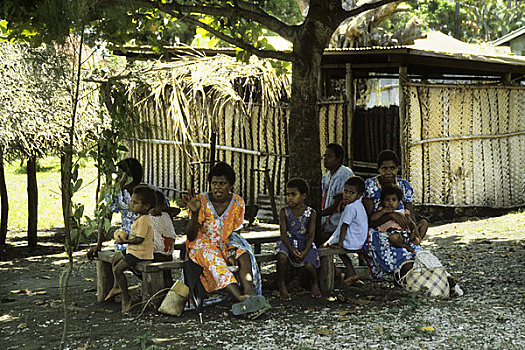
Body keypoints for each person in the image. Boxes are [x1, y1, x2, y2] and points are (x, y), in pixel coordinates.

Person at [182, 162, 262, 304]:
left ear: (231, 185)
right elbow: (191, 236)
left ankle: (250, 294)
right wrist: (194, 213)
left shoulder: (238, 202)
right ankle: (241, 300)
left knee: (244, 254)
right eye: (214, 183)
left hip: (226, 245)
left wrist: (232, 252)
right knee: (216, 261)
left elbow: (236, 234)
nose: (217, 187)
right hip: (202, 246)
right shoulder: (200, 201)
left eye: (222, 183)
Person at [362, 150, 426, 278]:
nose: (388, 172)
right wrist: (391, 215)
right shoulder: (371, 186)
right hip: (380, 231)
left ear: (397, 169)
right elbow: (369, 221)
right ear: (378, 169)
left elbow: (410, 214)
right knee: (400, 255)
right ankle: (404, 269)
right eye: (384, 168)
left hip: (403, 230)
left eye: (392, 168)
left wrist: (413, 229)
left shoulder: (404, 186)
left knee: (422, 232)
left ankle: (415, 252)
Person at [105, 185, 157, 314]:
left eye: (135, 203)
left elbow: (139, 239)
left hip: (140, 254)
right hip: (133, 250)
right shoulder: (139, 218)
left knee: (118, 270)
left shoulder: (145, 219)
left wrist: (125, 241)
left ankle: (126, 296)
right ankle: (116, 287)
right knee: (115, 258)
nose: (132, 205)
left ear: (146, 205)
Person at [275, 178, 321, 300]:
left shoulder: (311, 213)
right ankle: (281, 284)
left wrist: (305, 251)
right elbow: (283, 233)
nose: (289, 197)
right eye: (287, 194)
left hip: (304, 243)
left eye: (293, 194)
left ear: (303, 196)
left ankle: (314, 283)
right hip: (288, 242)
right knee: (281, 257)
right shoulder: (284, 211)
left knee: (309, 266)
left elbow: (311, 235)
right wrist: (290, 248)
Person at [324, 176, 368, 286]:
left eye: (351, 193)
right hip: (359, 240)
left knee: (324, 248)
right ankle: (352, 275)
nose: (347, 195)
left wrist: (339, 244)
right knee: (341, 254)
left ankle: (336, 275)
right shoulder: (358, 205)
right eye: (345, 191)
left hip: (352, 241)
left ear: (359, 195)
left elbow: (344, 226)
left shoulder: (351, 207)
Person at [316, 143, 354, 246]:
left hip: (340, 224)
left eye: (329, 156)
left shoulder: (344, 174)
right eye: (324, 155)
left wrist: (318, 214)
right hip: (327, 223)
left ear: (338, 159)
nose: (325, 159)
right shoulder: (326, 176)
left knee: (315, 240)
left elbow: (337, 204)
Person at [371, 184, 421, 253]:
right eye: (387, 200)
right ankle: (406, 247)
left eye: (394, 200)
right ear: (383, 201)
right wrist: (384, 211)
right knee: (393, 238)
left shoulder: (403, 212)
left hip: (405, 234)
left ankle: (415, 240)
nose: (390, 202)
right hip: (394, 235)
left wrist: (414, 232)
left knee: (423, 223)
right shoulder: (382, 211)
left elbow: (411, 223)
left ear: (398, 202)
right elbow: (373, 219)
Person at [151, 190, 177, 288]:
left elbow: (177, 210)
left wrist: (165, 209)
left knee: (167, 274)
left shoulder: (165, 215)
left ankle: (167, 291)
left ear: (162, 206)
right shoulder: (150, 217)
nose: (152, 209)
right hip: (160, 251)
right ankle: (165, 291)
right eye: (150, 206)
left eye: (155, 206)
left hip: (161, 253)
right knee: (164, 275)